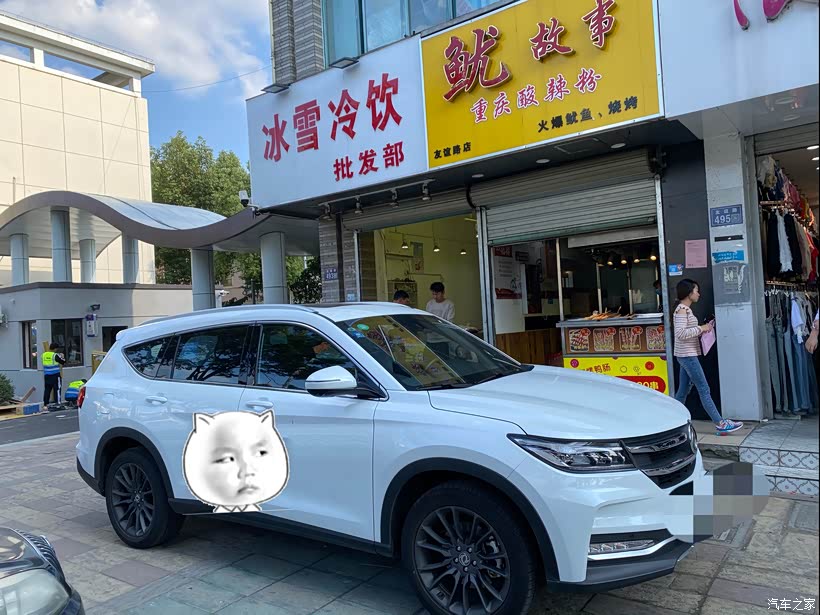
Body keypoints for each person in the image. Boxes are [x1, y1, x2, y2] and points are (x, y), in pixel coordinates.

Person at [672, 279, 743, 434]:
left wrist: (702, 330)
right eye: (696, 291)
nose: (698, 294)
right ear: (689, 293)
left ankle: (672, 422)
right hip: (688, 355)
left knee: (682, 392)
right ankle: (720, 424)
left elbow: (685, 332)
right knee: (704, 389)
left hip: (686, 354)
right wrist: (702, 328)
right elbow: (680, 333)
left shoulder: (683, 309)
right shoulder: (682, 310)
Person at [42, 342, 66, 407]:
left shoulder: (44, 355)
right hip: (55, 375)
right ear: (55, 349)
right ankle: (58, 403)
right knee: (57, 389)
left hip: (47, 375)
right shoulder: (55, 355)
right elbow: (63, 362)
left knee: (47, 390)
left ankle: (45, 403)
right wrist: (62, 356)